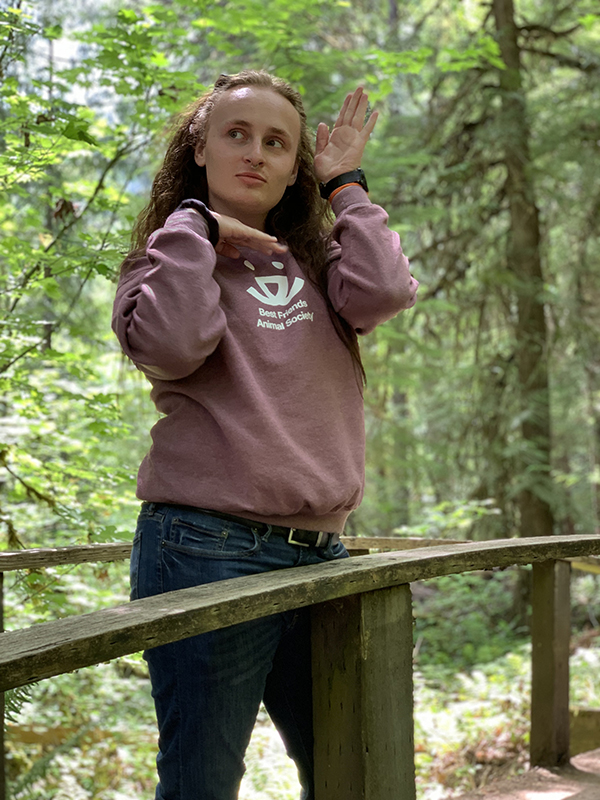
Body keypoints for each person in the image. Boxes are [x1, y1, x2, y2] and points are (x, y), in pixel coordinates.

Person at [112, 69, 418, 800]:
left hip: (322, 555)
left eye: (277, 143)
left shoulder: (319, 266)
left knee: (351, 770)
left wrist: (345, 183)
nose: (255, 153)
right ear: (201, 148)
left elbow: (385, 291)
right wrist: (195, 229)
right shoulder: (160, 263)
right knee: (203, 782)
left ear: (293, 169)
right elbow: (174, 344)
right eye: (237, 134)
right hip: (204, 551)